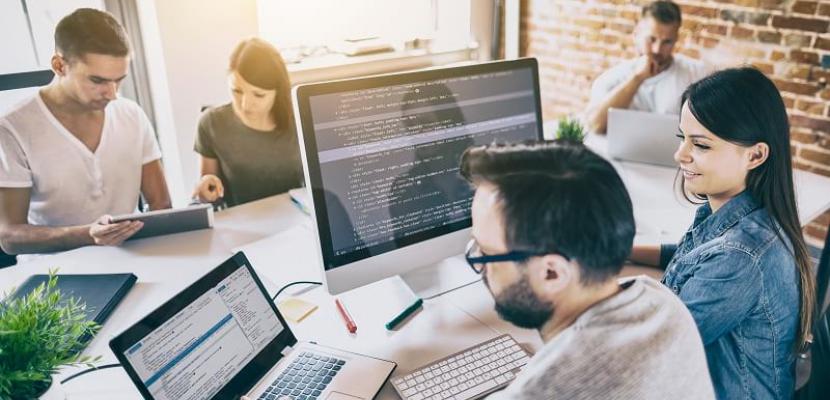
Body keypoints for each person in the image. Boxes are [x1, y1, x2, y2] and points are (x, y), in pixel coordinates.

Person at [460, 141, 714, 399]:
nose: (480, 265)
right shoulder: (662, 302)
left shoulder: (538, 392)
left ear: (552, 273)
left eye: (486, 253)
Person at [629, 67, 814, 399]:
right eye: (681, 138)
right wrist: (621, 249)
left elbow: (650, 348)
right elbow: (692, 256)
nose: (680, 155)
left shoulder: (741, 256)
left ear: (755, 155)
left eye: (700, 145)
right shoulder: (743, 214)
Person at [0, 8, 170, 256]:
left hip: (134, 259)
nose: (112, 94)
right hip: (57, 277)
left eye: (118, 80)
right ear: (59, 66)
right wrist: (88, 235)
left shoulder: (131, 115)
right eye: (98, 81)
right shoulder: (12, 128)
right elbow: (9, 236)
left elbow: (162, 204)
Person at [192, 38, 303, 208]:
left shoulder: (300, 119)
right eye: (236, 91)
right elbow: (210, 197)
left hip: (298, 219)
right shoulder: (212, 123)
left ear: (278, 92)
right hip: (244, 225)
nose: (245, 105)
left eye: (258, 95)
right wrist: (204, 192)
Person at [583, 0, 708, 134]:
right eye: (651, 39)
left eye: (667, 42)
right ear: (636, 35)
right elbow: (595, 126)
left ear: (676, 39)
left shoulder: (696, 73)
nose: (657, 49)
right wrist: (637, 78)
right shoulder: (611, 78)